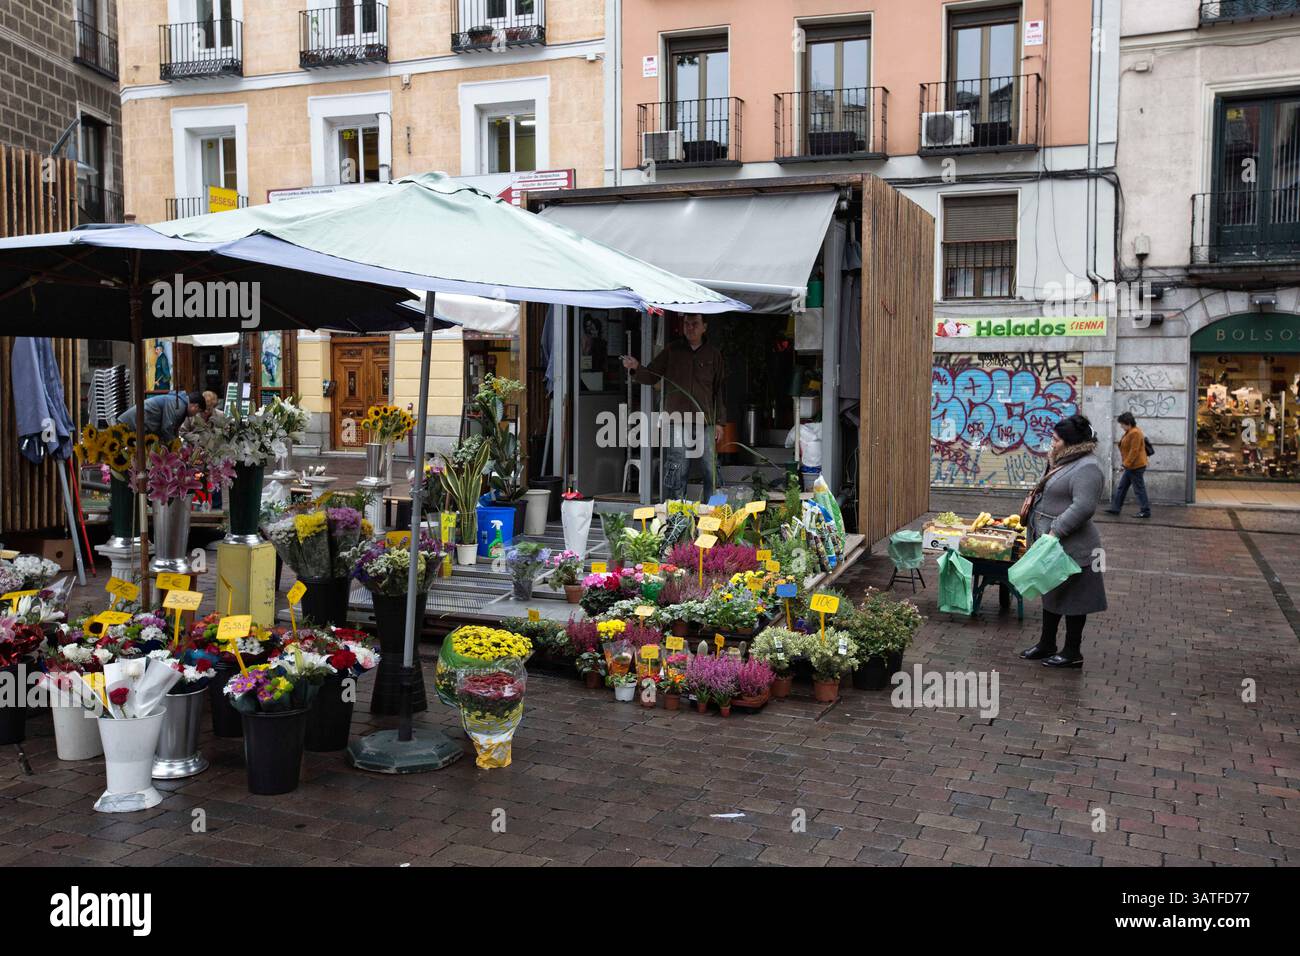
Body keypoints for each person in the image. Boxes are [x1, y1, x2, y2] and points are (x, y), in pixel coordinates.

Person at [1018, 414, 1107, 668]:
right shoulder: (1065, 461)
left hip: (1075, 546)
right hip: (1053, 545)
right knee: (1052, 592)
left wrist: (1055, 530)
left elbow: (1084, 507)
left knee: (1076, 599)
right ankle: (1046, 643)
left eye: (1056, 439)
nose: (1051, 443)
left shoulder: (1087, 467)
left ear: (1071, 442)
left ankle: (1072, 652)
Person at [620, 313, 725, 502]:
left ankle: (715, 512)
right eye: (686, 324)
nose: (690, 328)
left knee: (711, 469)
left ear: (704, 327)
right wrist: (635, 368)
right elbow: (651, 375)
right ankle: (677, 515)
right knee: (678, 467)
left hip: (706, 420)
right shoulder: (672, 350)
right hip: (676, 419)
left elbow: (719, 391)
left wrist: (720, 423)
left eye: (695, 324)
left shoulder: (713, 354)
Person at [1104, 411, 1151, 519]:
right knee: (1122, 487)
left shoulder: (1135, 433)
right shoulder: (1130, 431)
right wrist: (1126, 464)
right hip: (1131, 465)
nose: (1121, 426)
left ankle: (1145, 511)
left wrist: (1125, 465)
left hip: (1136, 466)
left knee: (1139, 489)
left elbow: (1134, 451)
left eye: (1122, 424)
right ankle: (1116, 508)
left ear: (1128, 423)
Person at [117, 390, 203, 442]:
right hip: (131, 424)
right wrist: (174, 448)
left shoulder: (179, 402)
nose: (194, 415)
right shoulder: (179, 405)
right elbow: (167, 428)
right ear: (195, 406)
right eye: (197, 412)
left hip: (136, 425)